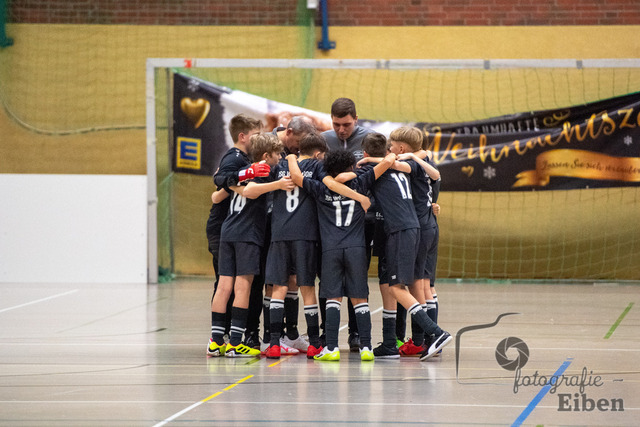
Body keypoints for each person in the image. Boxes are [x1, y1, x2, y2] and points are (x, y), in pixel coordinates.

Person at [288, 149, 396, 362]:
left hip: (331, 249)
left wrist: (291, 157)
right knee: (359, 298)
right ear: (351, 166)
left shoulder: (321, 188)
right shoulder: (361, 182)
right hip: (356, 248)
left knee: (333, 297)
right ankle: (366, 347)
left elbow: (297, 177)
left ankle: (332, 348)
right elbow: (387, 162)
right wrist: (379, 158)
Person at [357, 132, 451, 361]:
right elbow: (431, 171)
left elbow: (358, 180)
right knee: (403, 284)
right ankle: (394, 343)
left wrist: (367, 162)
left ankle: (434, 333)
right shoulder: (405, 166)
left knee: (400, 287)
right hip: (412, 227)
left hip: (401, 229)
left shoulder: (381, 168)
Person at [208, 132, 294, 357]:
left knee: (224, 286)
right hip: (247, 233)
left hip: (228, 231)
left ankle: (216, 341)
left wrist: (235, 186)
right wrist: (277, 184)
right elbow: (251, 191)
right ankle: (236, 343)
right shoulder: (263, 170)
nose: (280, 157)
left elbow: (216, 197)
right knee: (242, 286)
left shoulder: (242, 171)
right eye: (277, 154)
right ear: (266, 155)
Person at [321, 98, 375, 352]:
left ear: (356, 118)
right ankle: (327, 333)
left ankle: (356, 334)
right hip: (329, 225)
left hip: (362, 223)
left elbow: (382, 168)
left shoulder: (370, 139)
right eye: (336, 124)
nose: (341, 130)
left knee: (357, 281)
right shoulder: (324, 140)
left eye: (346, 124)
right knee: (327, 282)